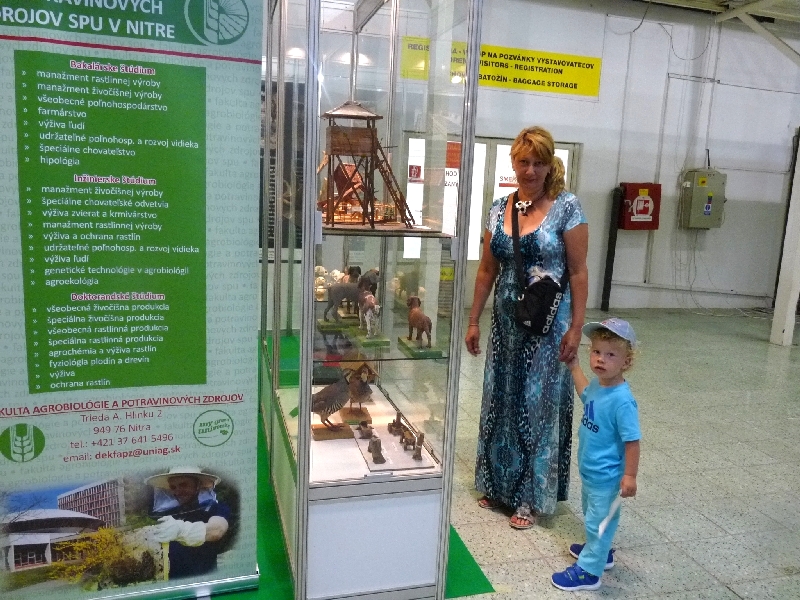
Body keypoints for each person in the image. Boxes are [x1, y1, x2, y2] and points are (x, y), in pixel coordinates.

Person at [465, 126, 589, 529]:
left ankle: (529, 497)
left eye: (538, 162)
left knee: (537, 406)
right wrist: (473, 320)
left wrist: (576, 329)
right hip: (506, 324)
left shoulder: (567, 208)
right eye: (523, 162)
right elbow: (487, 269)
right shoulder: (498, 208)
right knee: (501, 399)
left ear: (550, 165)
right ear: (513, 163)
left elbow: (579, 271)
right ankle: (497, 483)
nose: (530, 170)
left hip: (547, 326)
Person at [551, 318, 640, 591]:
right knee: (595, 516)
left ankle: (590, 571)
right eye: (597, 351)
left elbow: (632, 441)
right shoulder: (600, 386)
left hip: (607, 475)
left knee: (597, 522)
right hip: (591, 471)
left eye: (611, 355)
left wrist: (630, 475)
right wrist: (574, 366)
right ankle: (601, 552)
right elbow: (585, 394)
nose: (601, 359)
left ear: (626, 362)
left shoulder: (622, 400)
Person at [146, 466, 231, 578]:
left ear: (198, 485)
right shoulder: (171, 514)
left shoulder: (216, 508)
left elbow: (217, 530)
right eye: (173, 487)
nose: (177, 491)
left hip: (202, 580)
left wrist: (182, 530)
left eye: (183, 485)